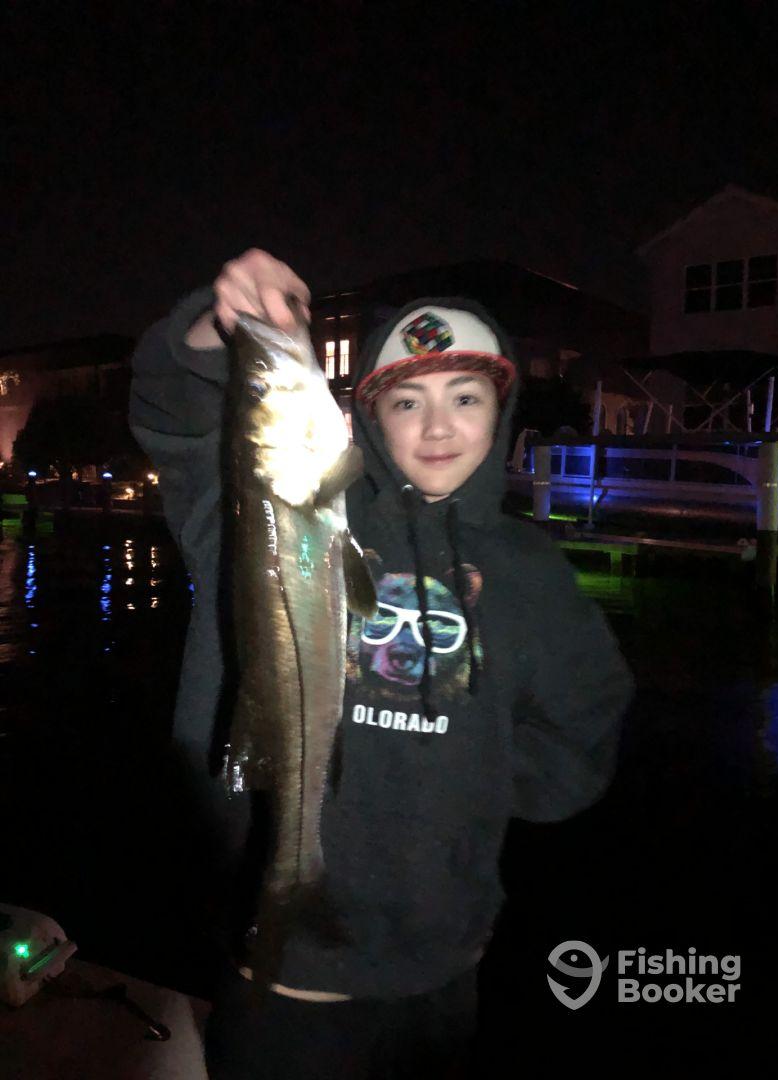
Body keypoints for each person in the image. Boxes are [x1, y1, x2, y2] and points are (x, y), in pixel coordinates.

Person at [129, 250, 635, 1079]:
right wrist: (220, 326)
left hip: (446, 974)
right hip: (290, 986)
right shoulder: (246, 518)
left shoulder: (532, 571)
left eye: (465, 398)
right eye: (407, 400)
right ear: (366, 418)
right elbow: (174, 411)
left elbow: (587, 723)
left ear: (499, 414)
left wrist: (474, 781)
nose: (438, 428)